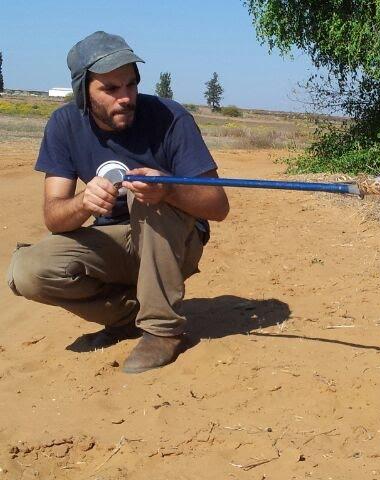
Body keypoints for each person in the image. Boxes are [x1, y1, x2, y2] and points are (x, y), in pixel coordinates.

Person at [5, 31, 229, 373]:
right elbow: (54, 217)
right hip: (115, 240)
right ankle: (127, 318)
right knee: (28, 272)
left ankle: (162, 330)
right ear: (83, 92)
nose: (125, 97)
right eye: (110, 89)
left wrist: (167, 189)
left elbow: (218, 205)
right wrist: (83, 203)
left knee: (146, 197)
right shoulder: (64, 125)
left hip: (175, 241)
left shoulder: (170, 118)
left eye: (130, 85)